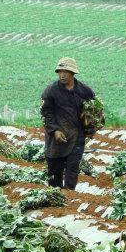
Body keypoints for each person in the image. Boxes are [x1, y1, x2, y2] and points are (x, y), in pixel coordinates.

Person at [41, 58, 97, 190]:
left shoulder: (85, 91)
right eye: (60, 72)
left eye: (66, 72)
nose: (62, 75)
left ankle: (70, 196)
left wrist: (91, 126)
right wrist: (55, 131)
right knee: (54, 175)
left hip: (77, 135)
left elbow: (94, 110)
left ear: (73, 74)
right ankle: (56, 198)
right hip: (56, 138)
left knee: (72, 169)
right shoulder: (51, 91)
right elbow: (46, 113)